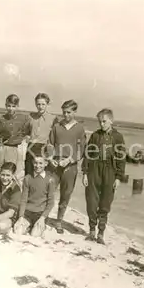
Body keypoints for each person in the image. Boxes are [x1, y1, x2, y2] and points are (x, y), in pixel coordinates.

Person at [82, 108, 126, 245]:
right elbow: (88, 155)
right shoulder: (95, 135)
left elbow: (121, 158)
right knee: (91, 200)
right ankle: (91, 231)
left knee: (105, 202)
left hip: (110, 171)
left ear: (111, 121)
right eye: (100, 121)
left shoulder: (118, 137)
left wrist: (118, 177)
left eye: (104, 121)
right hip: (94, 169)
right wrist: (85, 173)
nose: (101, 124)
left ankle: (101, 233)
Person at [48, 99, 86, 234]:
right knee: (48, 190)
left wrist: (69, 160)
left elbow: (81, 150)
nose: (66, 115)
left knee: (66, 194)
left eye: (69, 112)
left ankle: (59, 221)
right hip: (55, 164)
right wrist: (50, 157)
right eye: (64, 112)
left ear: (75, 112)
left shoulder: (79, 128)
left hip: (70, 166)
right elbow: (50, 144)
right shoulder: (57, 126)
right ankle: (42, 216)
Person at [16, 156, 56, 237]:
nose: (37, 166)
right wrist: (20, 216)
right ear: (32, 163)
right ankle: (29, 225)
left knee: (34, 235)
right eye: (35, 163)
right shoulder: (27, 178)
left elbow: (51, 202)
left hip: (40, 214)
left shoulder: (50, 180)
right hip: (27, 212)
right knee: (17, 231)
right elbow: (24, 199)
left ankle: (40, 226)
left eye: (40, 163)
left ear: (46, 164)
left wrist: (42, 218)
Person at [0, 94, 30, 177]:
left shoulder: (23, 118)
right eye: (8, 106)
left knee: (10, 172)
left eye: (13, 106)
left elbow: (25, 132)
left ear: (17, 106)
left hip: (13, 148)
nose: (10, 108)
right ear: (5, 105)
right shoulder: (0, 118)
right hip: (0, 147)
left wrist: (19, 139)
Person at [25, 93, 58, 177]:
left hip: (44, 148)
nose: (40, 106)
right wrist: (27, 137)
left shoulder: (53, 118)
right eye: (38, 104)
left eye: (43, 104)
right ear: (35, 104)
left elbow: (55, 136)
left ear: (47, 104)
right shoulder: (31, 116)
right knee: (29, 173)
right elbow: (26, 131)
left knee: (42, 175)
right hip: (31, 147)